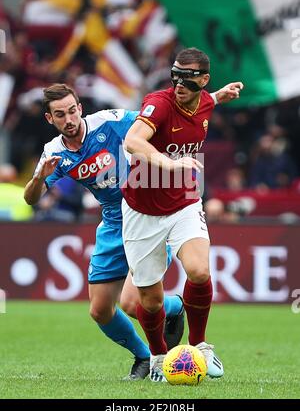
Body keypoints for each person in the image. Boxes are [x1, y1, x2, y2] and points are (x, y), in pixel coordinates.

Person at [24, 79, 240, 381]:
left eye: (72, 111)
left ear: (80, 108)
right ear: (49, 118)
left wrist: (213, 98)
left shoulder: (112, 122)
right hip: (113, 223)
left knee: (131, 304)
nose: (69, 119)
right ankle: (145, 350)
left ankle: (163, 337)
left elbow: (160, 117)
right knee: (100, 310)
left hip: (146, 213)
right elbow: (31, 198)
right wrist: (39, 179)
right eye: (60, 115)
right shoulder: (53, 153)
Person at [121, 47, 243, 381]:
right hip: (141, 210)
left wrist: (220, 96)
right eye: (175, 77)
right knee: (148, 299)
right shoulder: (159, 103)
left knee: (200, 271)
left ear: (203, 80)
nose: (179, 85)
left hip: (184, 201)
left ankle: (200, 345)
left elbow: (207, 102)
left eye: (188, 80)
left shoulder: (203, 100)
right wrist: (171, 163)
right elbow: (133, 141)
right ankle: (160, 356)